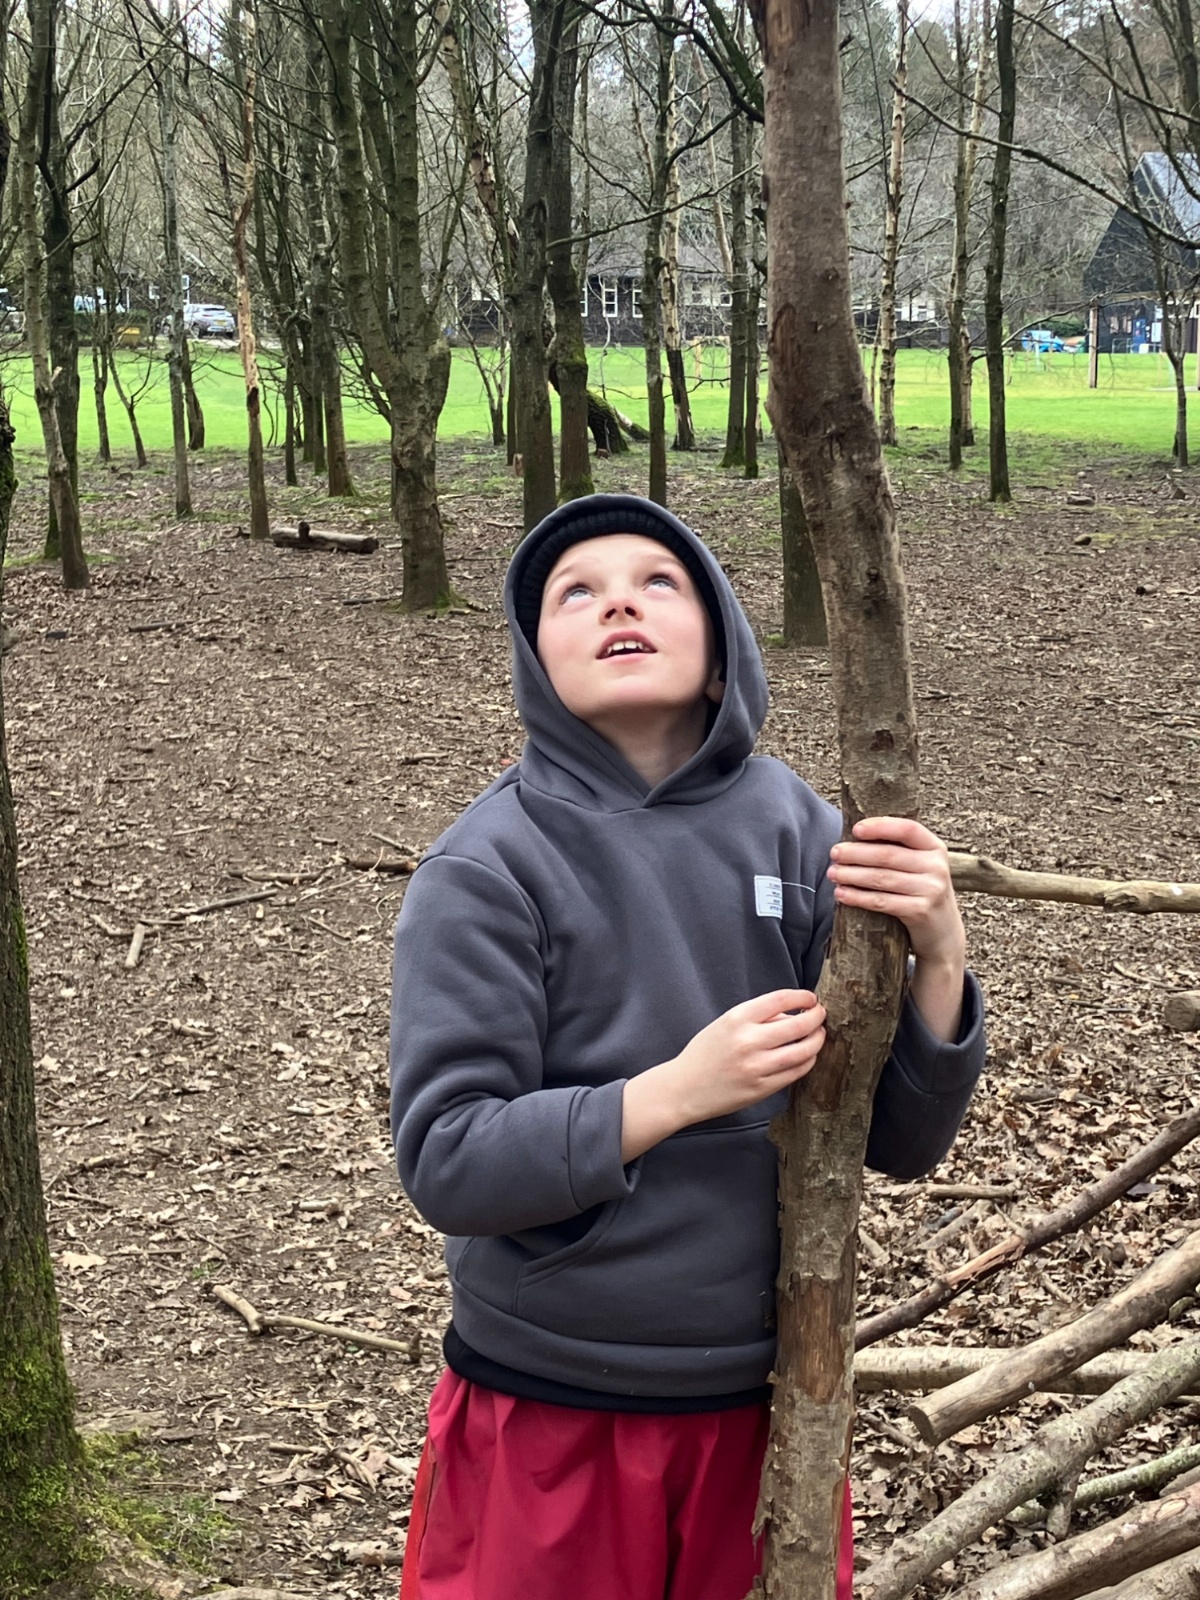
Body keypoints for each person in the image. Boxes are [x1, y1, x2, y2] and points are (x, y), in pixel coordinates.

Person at [390, 494, 985, 1600]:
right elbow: (449, 1158)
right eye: (575, 592)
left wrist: (940, 959)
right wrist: (671, 1093)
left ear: (722, 643)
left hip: (773, 1399)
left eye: (657, 582)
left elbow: (898, 1140)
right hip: (552, 1400)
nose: (618, 601)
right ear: (536, 660)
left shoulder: (801, 829)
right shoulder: (487, 866)